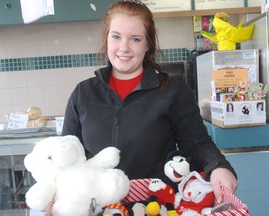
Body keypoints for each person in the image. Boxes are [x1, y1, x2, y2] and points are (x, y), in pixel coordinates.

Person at [62, 0, 237, 203]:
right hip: (97, 206)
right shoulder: (83, 94)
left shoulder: (173, 92)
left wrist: (218, 166)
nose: (124, 47)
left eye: (135, 39)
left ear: (148, 44)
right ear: (107, 39)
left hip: (157, 204)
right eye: (116, 36)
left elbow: (197, 143)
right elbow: (67, 155)